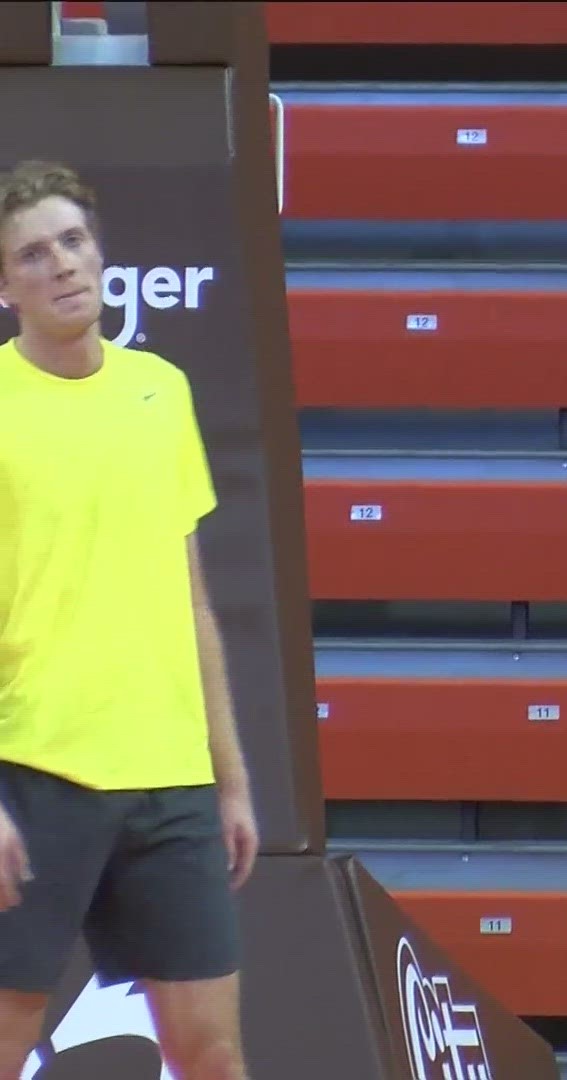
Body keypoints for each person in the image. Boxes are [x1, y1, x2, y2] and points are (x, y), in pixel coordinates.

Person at [0, 162, 258, 1078]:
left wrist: (228, 780)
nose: (63, 265)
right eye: (34, 253)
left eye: (74, 241)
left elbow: (191, 600)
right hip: (34, 775)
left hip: (170, 782)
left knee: (213, 1056)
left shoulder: (162, 390)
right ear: (5, 285)